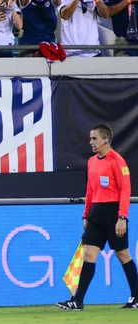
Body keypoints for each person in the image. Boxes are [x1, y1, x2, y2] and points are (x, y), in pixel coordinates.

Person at [57, 124, 137, 310]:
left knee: (123, 254)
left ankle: (136, 297)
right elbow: (90, 190)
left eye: (94, 138)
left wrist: (122, 217)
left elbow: (125, 190)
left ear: (106, 140)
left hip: (113, 213)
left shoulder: (117, 161)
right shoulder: (92, 162)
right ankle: (77, 300)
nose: (91, 142)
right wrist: (86, 214)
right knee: (89, 254)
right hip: (96, 213)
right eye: (91, 138)